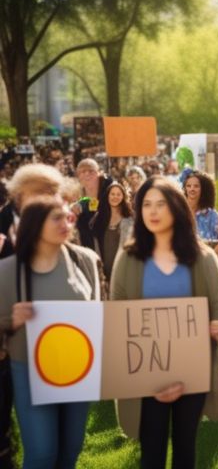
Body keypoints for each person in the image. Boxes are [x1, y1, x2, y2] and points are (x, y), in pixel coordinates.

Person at [110, 177, 218, 468]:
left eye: (160, 204)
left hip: (192, 371)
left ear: (176, 208)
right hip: (145, 370)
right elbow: (117, 313)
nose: (152, 211)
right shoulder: (128, 258)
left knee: (184, 449)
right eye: (146, 205)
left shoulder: (202, 258)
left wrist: (215, 326)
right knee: (151, 451)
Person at [0, 196, 102, 469]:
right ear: (35, 224)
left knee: (70, 449)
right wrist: (10, 320)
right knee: (42, 453)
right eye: (56, 218)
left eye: (68, 216)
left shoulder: (85, 261)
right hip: (31, 370)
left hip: (78, 368)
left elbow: (98, 311)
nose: (66, 222)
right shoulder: (8, 270)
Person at [0, 164, 65, 469]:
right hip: (7, 354)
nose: (47, 199)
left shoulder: (62, 229)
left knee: (52, 441)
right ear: (17, 197)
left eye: (52, 192)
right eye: (38, 192)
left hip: (52, 354)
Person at [92, 182, 134, 287]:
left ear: (123, 196)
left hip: (124, 269)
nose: (115, 197)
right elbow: (95, 242)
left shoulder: (130, 218)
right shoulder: (99, 218)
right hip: (104, 269)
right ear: (107, 196)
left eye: (118, 194)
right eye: (112, 194)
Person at [74, 158, 113, 250]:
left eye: (91, 171)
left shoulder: (109, 185)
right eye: (83, 171)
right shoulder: (78, 190)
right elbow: (89, 201)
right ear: (78, 175)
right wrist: (78, 204)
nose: (87, 174)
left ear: (98, 173)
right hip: (88, 233)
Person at [182, 170, 218, 242]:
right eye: (188, 186)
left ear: (204, 189)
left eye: (196, 186)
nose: (192, 189)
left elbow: (215, 241)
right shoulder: (178, 211)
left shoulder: (212, 215)